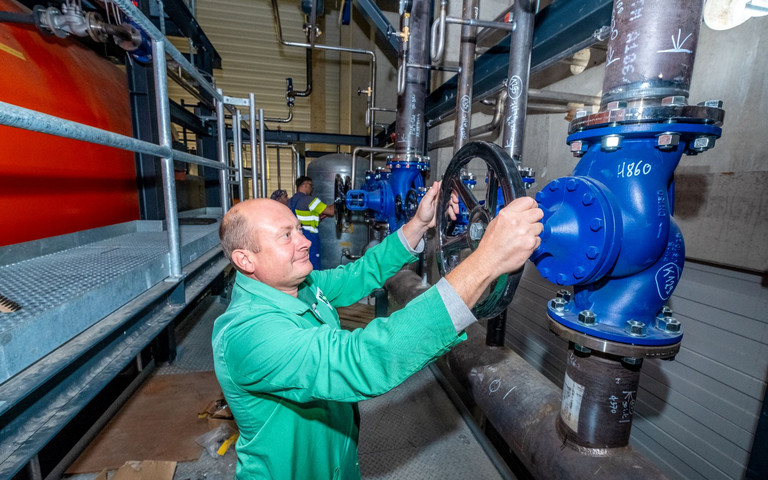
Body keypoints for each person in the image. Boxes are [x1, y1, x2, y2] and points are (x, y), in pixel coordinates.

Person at [213, 181, 543, 479]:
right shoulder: (247, 334)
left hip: (337, 460)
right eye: (286, 236)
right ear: (245, 260)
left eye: (299, 229)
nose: (303, 242)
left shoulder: (298, 284)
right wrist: (485, 262)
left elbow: (360, 273)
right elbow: (362, 359)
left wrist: (419, 223)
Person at [288, 175, 334, 269]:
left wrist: (318, 218)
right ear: (304, 185)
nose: (312, 189)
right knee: (312, 266)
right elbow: (330, 211)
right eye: (311, 185)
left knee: (299, 264)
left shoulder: (290, 201)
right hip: (309, 238)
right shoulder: (309, 200)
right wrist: (340, 200)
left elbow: (302, 217)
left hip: (294, 237)